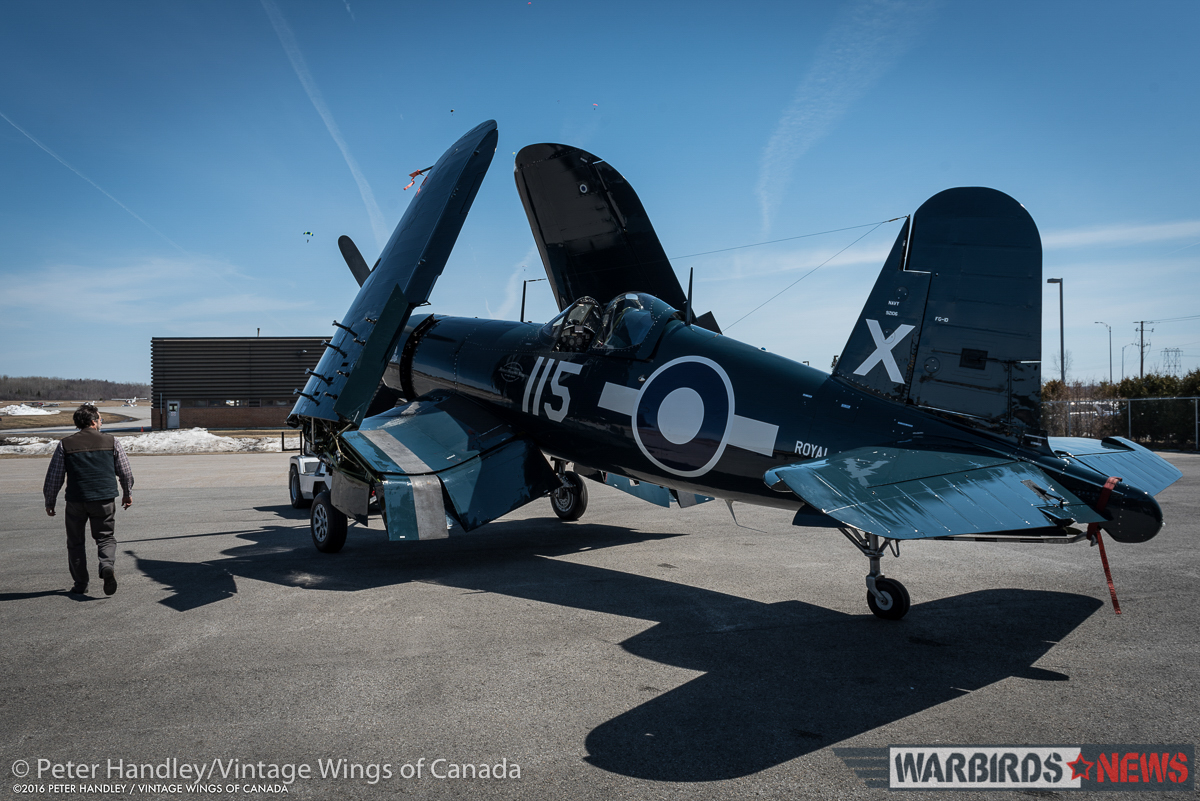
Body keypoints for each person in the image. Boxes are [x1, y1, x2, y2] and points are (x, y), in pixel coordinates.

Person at [43, 404, 134, 596]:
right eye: (100, 419)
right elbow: (125, 471)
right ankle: (106, 566)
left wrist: (50, 501)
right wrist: (127, 492)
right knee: (105, 537)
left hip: (76, 500)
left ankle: (80, 583)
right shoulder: (112, 441)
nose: (102, 422)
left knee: (75, 542)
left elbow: (54, 477)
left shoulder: (65, 444)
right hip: (104, 499)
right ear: (93, 421)